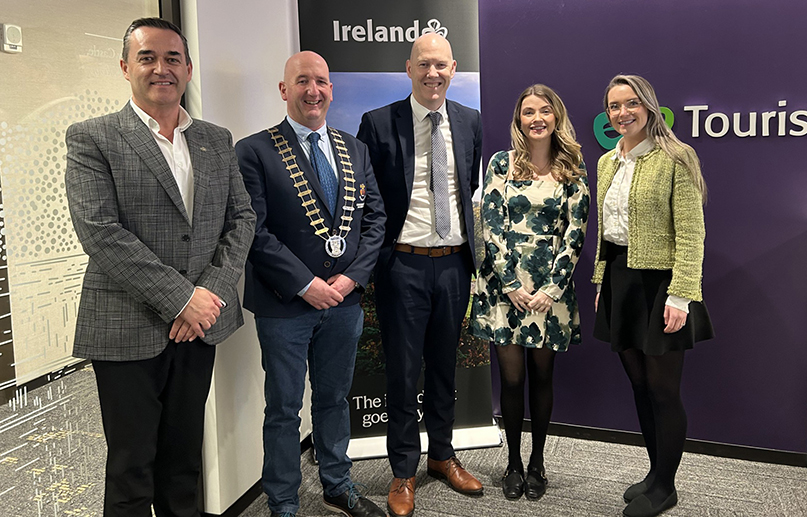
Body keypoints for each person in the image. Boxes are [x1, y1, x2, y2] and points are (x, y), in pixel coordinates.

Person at [64, 17, 256, 517]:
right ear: (125, 66)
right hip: (126, 328)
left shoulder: (215, 139)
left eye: (173, 58)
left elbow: (241, 219)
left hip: (200, 327)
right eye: (147, 57)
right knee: (131, 471)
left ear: (188, 69)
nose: (161, 68)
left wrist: (207, 295)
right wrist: (182, 299)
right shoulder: (93, 138)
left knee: (183, 464)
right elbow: (100, 232)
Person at [235, 51, 386, 517]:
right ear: (285, 89)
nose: (312, 90)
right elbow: (254, 231)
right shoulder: (254, 151)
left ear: (331, 90)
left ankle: (337, 484)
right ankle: (283, 501)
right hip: (285, 305)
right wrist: (306, 284)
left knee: (334, 399)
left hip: (343, 302)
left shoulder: (355, 149)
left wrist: (350, 278)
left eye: (320, 81)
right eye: (302, 81)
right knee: (283, 408)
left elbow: (375, 221)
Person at [357, 33, 484, 517]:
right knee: (404, 370)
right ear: (408, 68)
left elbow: (467, 188)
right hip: (402, 264)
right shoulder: (377, 122)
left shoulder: (470, 121)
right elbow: (368, 200)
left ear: (453, 69)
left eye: (441, 65)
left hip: (453, 263)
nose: (433, 74)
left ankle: (442, 456)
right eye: (424, 65)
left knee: (444, 366)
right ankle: (403, 470)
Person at [592, 74, 714, 517]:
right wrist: (602, 282)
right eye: (613, 106)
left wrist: (681, 295)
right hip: (620, 281)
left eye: (631, 103)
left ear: (648, 106)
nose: (622, 113)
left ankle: (666, 486)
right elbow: (607, 232)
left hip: (661, 285)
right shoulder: (607, 161)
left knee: (663, 390)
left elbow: (692, 233)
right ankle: (654, 471)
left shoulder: (677, 157)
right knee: (639, 386)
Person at [471, 84, 589, 501]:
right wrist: (510, 284)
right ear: (519, 120)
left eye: (544, 111)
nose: (536, 118)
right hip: (505, 291)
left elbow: (575, 232)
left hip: (549, 293)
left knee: (542, 377)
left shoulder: (573, 166)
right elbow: (490, 225)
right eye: (528, 112)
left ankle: (538, 462)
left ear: (556, 116)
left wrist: (551, 289)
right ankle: (513, 463)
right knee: (511, 379)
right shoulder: (501, 164)